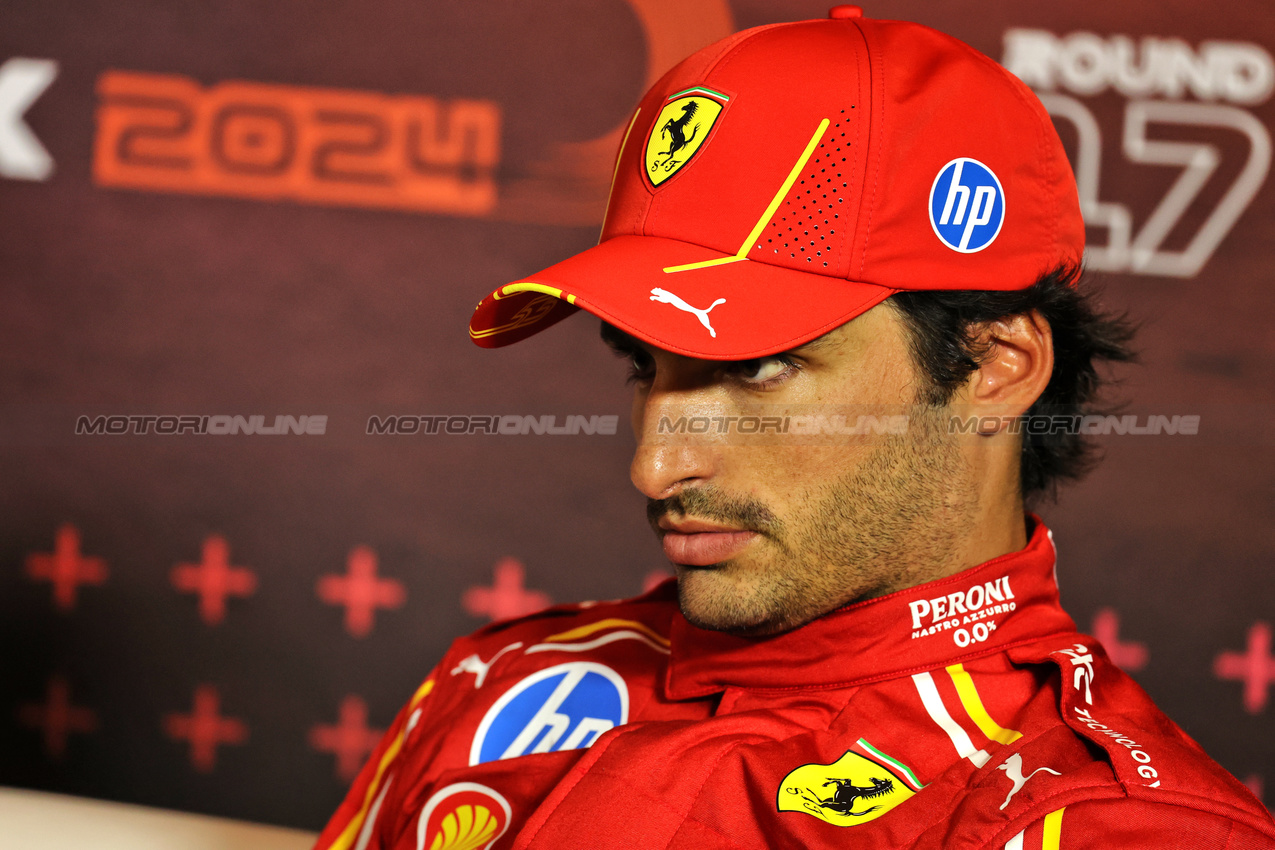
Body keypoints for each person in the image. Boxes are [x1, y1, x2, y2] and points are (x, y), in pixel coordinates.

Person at [315, 7, 1275, 849]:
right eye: (645, 366)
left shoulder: (1105, 823)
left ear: (993, 367)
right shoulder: (502, 680)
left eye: (759, 369)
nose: (653, 466)